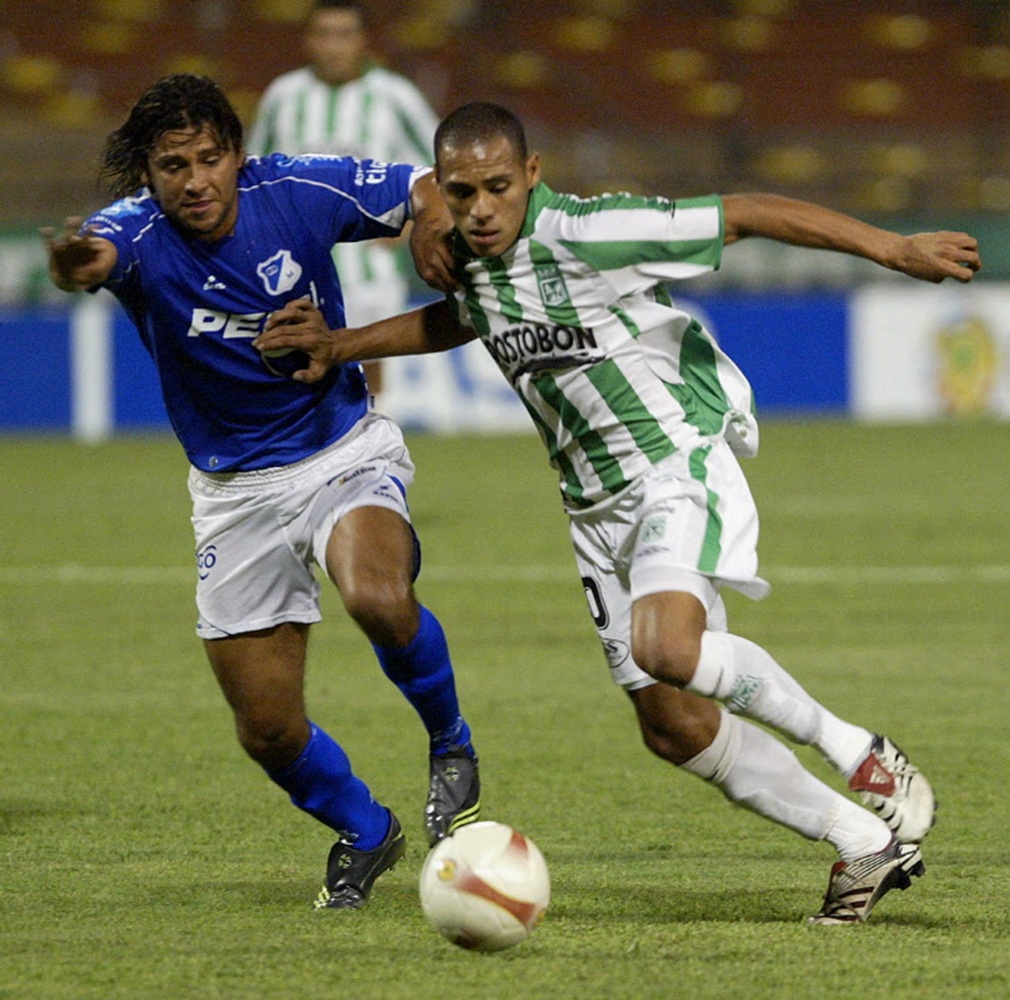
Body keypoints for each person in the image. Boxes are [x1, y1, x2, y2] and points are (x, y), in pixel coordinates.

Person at [253, 102, 982, 925]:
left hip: (674, 462)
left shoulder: (595, 232)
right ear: (441, 191)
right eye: (463, 193)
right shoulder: (465, 257)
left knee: (666, 646)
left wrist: (893, 247)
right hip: (592, 508)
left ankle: (861, 752)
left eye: (499, 187)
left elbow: (745, 214)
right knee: (672, 725)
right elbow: (467, 318)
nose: (483, 208)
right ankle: (862, 843)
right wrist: (342, 345)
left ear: (533, 175)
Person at [41, 74, 481, 912]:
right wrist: (74, 269)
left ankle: (450, 742)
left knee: (377, 596)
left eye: (211, 159)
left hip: (339, 451)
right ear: (150, 174)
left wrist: (430, 222)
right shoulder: (132, 234)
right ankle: (364, 828)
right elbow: (91, 256)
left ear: (238, 156)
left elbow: (421, 186)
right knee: (268, 728)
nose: (197, 180)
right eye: (174, 166)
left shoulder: (296, 189)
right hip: (233, 494)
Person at [247, 0, 442, 394]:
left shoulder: (394, 95)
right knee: (293, 373)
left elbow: (439, 166)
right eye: (324, 35)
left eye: (344, 35)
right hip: (293, 267)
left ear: (363, 41)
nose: (334, 46)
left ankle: (373, 452)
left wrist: (409, 222)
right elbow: (251, 175)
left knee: (370, 379)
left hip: (369, 269)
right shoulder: (284, 96)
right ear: (308, 41)